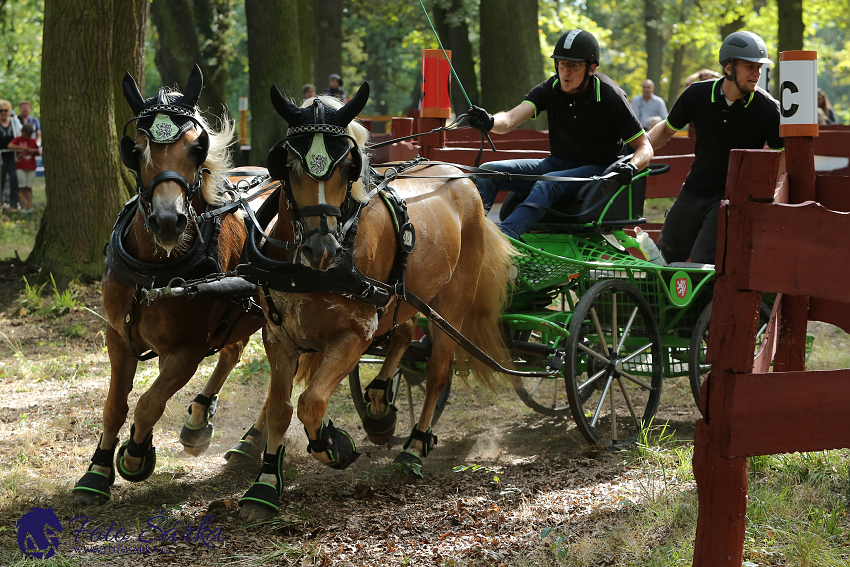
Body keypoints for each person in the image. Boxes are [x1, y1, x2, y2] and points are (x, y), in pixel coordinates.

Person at [467, 29, 652, 240]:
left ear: (591, 68)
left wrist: (632, 166)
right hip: (558, 163)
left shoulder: (610, 95)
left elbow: (645, 147)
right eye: (562, 64)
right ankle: (473, 239)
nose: (566, 72)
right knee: (487, 172)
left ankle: (502, 240)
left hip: (598, 171)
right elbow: (509, 120)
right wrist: (490, 121)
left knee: (547, 182)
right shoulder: (550, 88)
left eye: (574, 65)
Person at [646, 31, 783, 265]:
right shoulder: (696, 94)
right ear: (728, 68)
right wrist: (638, 153)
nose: (757, 73)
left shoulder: (769, 109)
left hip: (731, 198)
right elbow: (667, 129)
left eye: (759, 67)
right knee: (662, 258)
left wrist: (771, 196)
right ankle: (656, 303)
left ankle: (702, 303)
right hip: (694, 189)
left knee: (703, 264)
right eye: (749, 66)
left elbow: (783, 156)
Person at [9, 123, 38, 213]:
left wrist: (34, 152)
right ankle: (23, 208)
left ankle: (29, 207)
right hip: (21, 167)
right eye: (25, 135)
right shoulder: (18, 140)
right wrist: (21, 147)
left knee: (29, 187)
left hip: (31, 167)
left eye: (29, 135)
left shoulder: (33, 141)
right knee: (22, 188)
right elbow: (10, 146)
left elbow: (37, 151)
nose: (27, 137)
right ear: (22, 133)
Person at [0, 99, 22, 210]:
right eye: (1, 110)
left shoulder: (14, 122)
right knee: (1, 179)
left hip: (13, 155)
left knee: (14, 178)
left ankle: (14, 203)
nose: (3, 112)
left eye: (5, 110)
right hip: (1, 156)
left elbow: (20, 135)